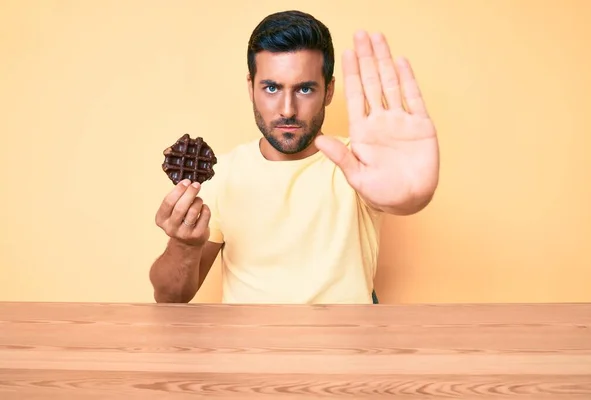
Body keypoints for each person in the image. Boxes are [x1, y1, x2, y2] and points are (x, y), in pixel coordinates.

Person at [149, 10, 439, 304]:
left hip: (345, 346)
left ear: (328, 90)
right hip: (251, 347)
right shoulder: (223, 174)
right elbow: (171, 297)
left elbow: (398, 195)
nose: (287, 109)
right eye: (272, 87)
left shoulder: (360, 163)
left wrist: (412, 195)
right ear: (251, 88)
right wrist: (184, 245)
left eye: (304, 88)